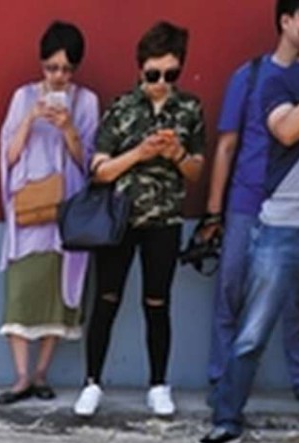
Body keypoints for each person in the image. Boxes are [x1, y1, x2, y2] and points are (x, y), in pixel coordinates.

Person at [73, 21, 206, 418]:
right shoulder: (121, 108)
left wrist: (178, 154)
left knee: (157, 303)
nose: (161, 82)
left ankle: (158, 384)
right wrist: (140, 154)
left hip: (164, 221)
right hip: (118, 220)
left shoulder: (190, 109)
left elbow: (197, 171)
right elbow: (98, 170)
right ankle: (92, 382)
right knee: (107, 300)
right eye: (153, 74)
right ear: (139, 68)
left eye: (170, 74)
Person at [198, 0, 299, 443]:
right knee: (252, 330)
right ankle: (226, 417)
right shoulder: (275, 79)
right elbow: (285, 131)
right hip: (283, 226)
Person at [0, 21, 98, 405]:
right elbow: (7, 155)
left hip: (66, 213)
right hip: (27, 211)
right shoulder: (22, 97)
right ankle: (20, 376)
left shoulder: (86, 102)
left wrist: (69, 127)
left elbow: (88, 163)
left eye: (67, 70)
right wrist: (31, 119)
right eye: (52, 68)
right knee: (20, 292)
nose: (59, 77)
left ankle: (41, 374)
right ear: (41, 64)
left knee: (59, 294)